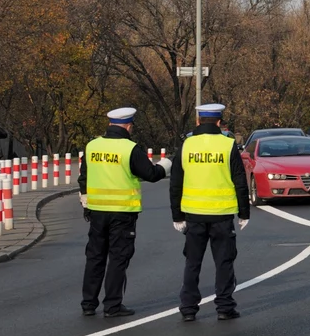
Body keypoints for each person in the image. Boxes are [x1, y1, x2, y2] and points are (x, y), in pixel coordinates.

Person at [77, 107, 172, 317]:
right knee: (118, 258)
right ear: (129, 125)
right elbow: (151, 174)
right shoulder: (130, 148)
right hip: (122, 212)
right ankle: (112, 305)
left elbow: (83, 177)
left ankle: (88, 304)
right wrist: (165, 165)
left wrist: (85, 200)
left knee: (95, 256)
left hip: (97, 211)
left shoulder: (92, 146)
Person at [170, 104, 250, 322]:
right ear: (219, 122)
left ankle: (188, 308)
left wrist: (177, 215)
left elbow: (176, 182)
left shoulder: (187, 145)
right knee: (224, 262)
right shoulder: (227, 144)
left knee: (192, 263)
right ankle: (224, 307)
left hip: (193, 215)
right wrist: (244, 213)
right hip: (221, 215)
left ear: (198, 121)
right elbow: (239, 180)